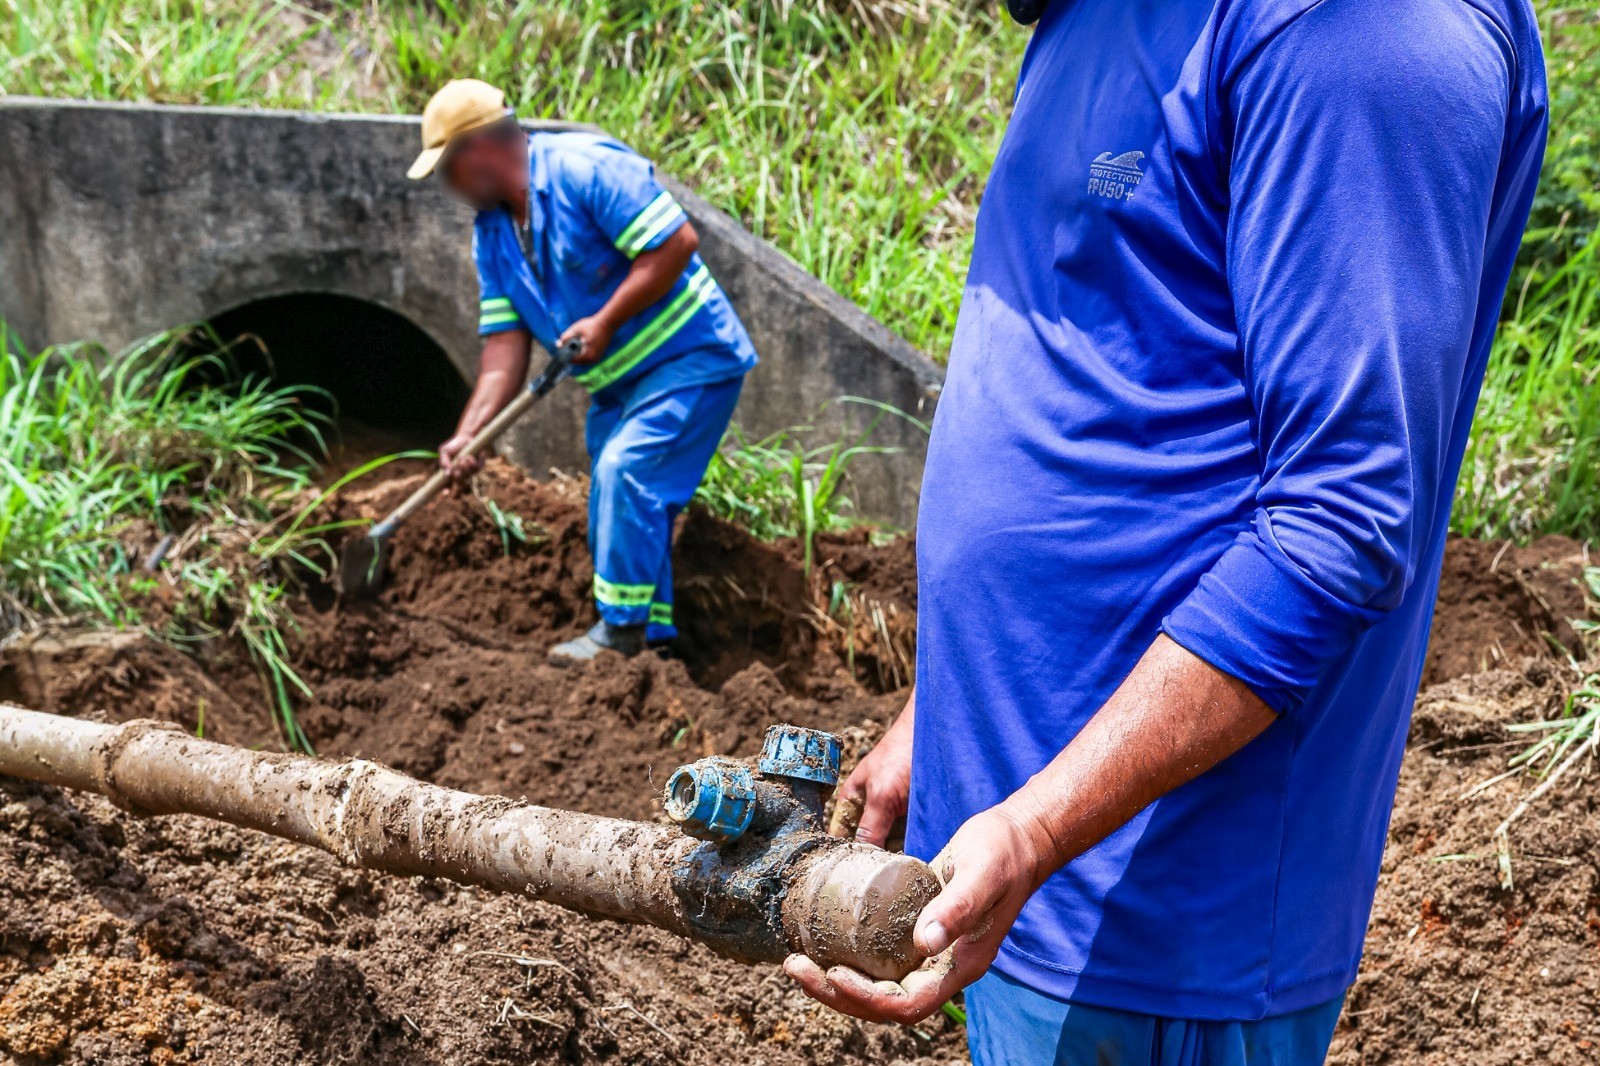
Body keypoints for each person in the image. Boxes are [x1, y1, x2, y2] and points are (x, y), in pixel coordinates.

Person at [785, 0, 1549, 1062]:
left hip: (1161, 913)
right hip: (1020, 868)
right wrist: (944, 710)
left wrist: (1041, 823)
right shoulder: (1085, 18)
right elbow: (1099, 378)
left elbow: (1337, 525)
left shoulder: (1363, 31)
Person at [408, 80, 757, 665]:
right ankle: (653, 640)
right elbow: (504, 348)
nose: (449, 187)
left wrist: (605, 320)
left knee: (626, 471)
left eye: (447, 170)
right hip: (618, 388)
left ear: (478, 149)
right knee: (617, 505)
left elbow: (676, 243)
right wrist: (469, 435)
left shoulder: (583, 170)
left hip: (690, 359)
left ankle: (619, 637)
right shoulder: (492, 235)